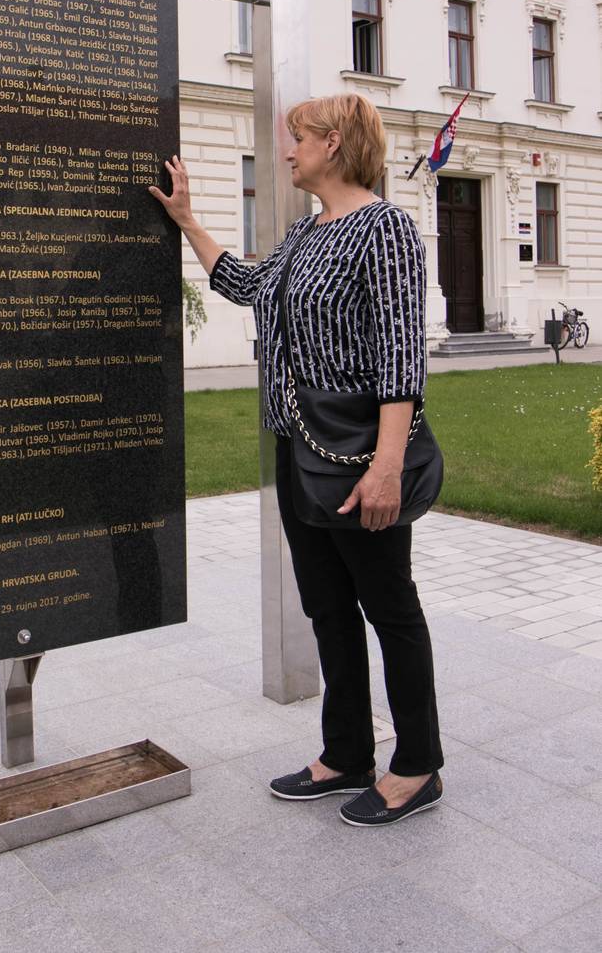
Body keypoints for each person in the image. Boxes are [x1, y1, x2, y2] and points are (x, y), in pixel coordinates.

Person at [149, 93, 443, 827]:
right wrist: (187, 221)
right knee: (327, 607)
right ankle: (346, 751)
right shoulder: (306, 233)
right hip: (299, 452)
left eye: (298, 139)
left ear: (334, 143)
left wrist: (386, 464)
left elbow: (402, 354)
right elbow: (246, 286)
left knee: (390, 607)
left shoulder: (386, 230)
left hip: (359, 456)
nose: (288, 151)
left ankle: (418, 764)